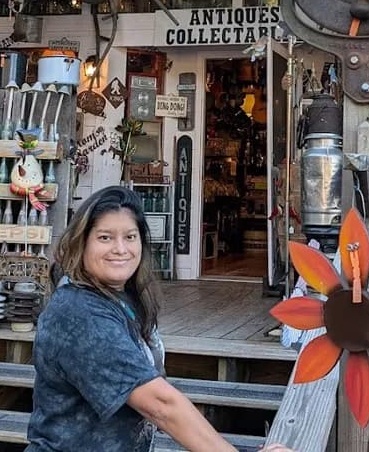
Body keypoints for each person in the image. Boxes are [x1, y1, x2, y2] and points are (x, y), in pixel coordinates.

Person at [26, 186, 295, 452]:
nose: (120, 249)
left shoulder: (119, 299)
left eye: (130, 237)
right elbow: (161, 405)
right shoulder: (79, 313)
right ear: (82, 243)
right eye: (105, 238)